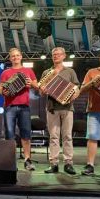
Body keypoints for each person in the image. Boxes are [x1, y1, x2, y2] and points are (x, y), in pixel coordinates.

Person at [39, 47, 80, 175]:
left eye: (58, 54)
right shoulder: (47, 72)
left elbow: (77, 87)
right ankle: (54, 164)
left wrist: (74, 95)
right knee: (54, 136)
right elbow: (40, 92)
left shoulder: (70, 71)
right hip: (52, 108)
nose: (56, 56)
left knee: (67, 136)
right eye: (54, 54)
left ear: (64, 56)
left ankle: (68, 163)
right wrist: (43, 90)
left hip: (67, 108)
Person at [0, 48, 38, 170]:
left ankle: (27, 160)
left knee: (26, 134)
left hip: (24, 106)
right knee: (9, 134)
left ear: (21, 57)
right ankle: (11, 162)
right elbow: (0, 90)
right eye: (13, 56)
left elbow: (37, 86)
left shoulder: (28, 71)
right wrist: (3, 90)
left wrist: (30, 84)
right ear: (10, 58)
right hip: (9, 106)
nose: (15, 58)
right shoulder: (5, 73)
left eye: (17, 55)